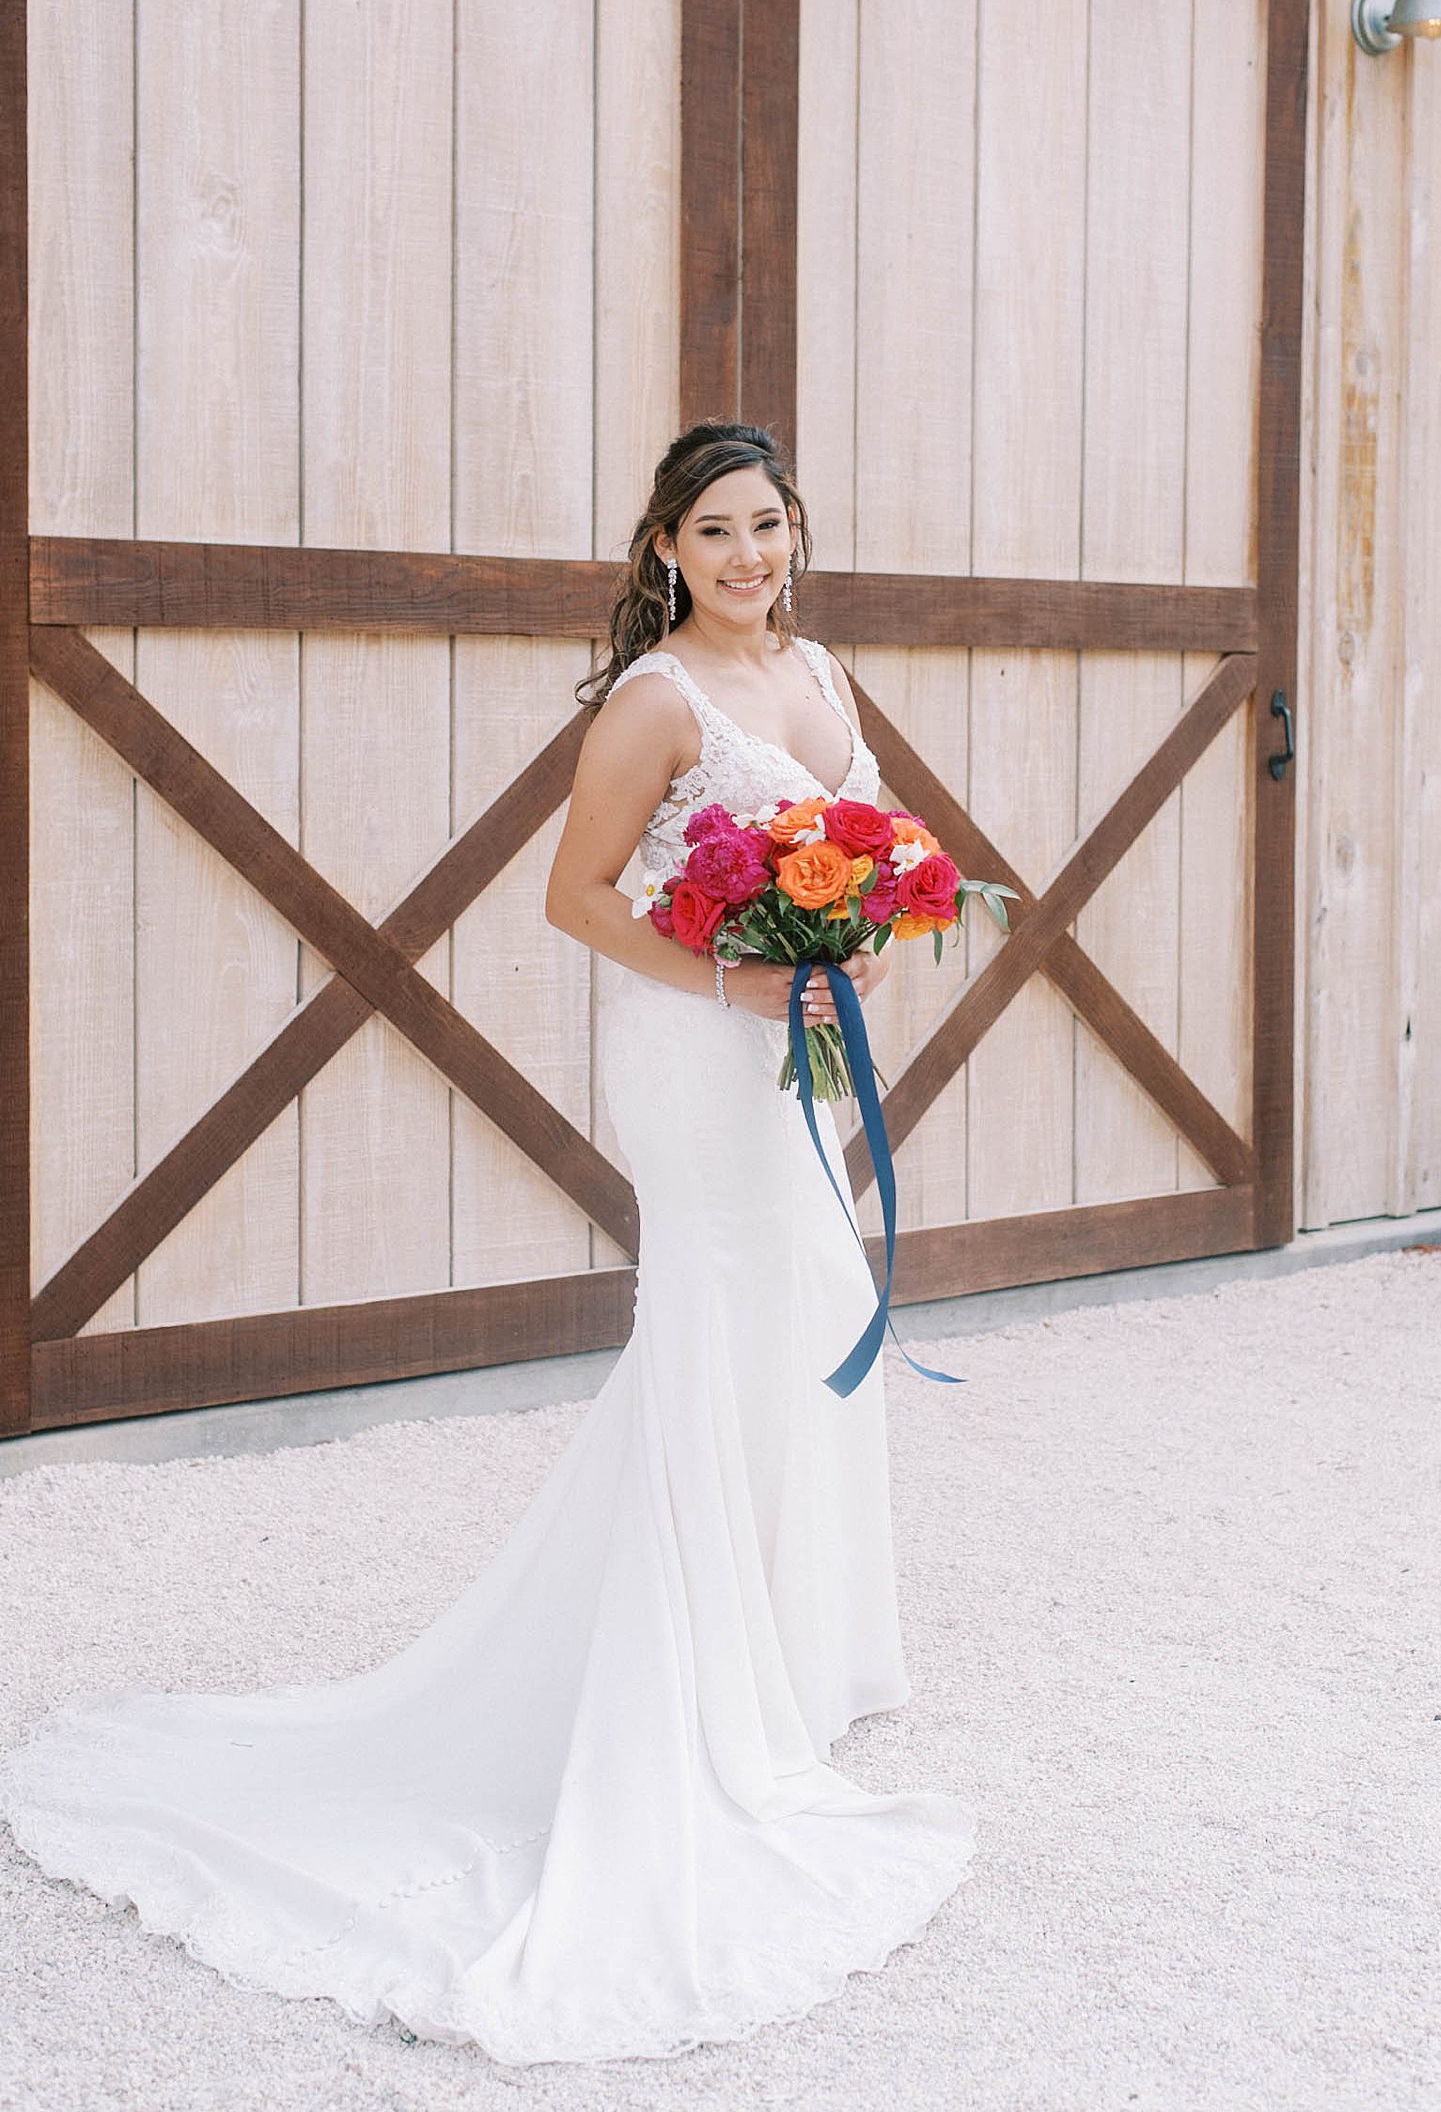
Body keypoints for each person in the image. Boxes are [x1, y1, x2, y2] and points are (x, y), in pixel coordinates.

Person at [0, 421, 975, 2065]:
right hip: (697, 1050)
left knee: (811, 1304)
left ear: (797, 532)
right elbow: (578, 897)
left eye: (768, 524)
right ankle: (690, 1688)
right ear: (666, 547)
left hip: (798, 1041)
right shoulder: (652, 701)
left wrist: (858, 944)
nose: (747, 554)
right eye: (714, 531)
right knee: (721, 1314)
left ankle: (799, 1656)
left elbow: (862, 852)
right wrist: (743, 980)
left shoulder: (820, 667)